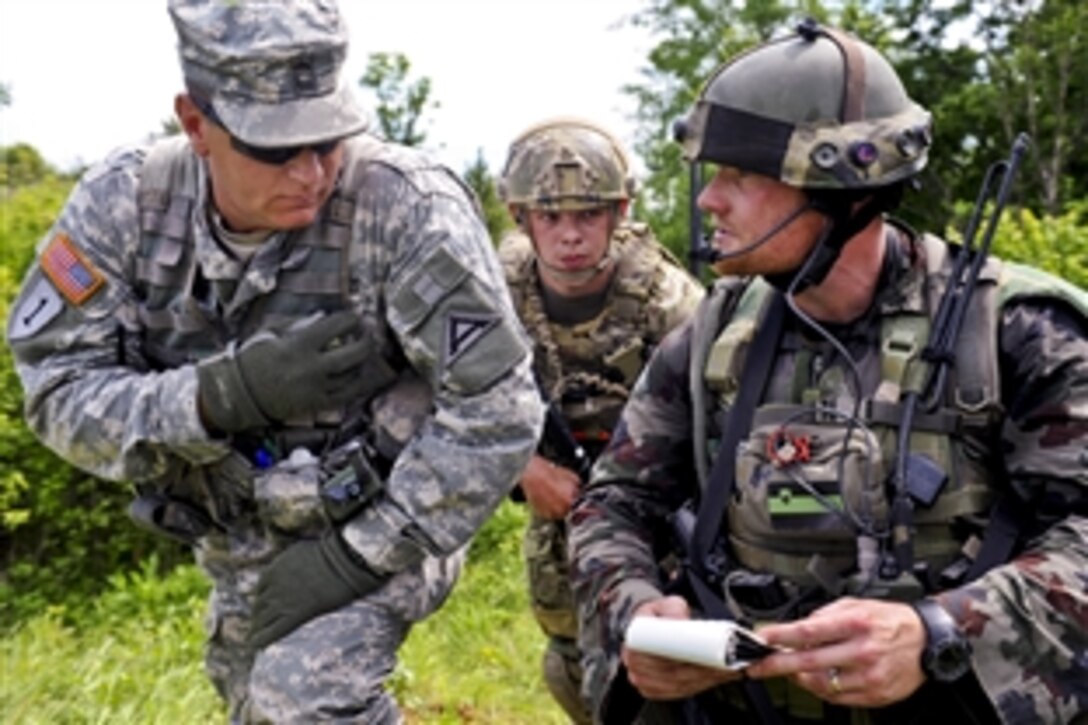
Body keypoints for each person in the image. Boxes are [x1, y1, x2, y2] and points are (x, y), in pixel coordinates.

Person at [5, 0, 543, 721]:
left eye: (329, 139)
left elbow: (499, 411)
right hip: (237, 527)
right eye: (276, 149)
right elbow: (58, 387)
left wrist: (355, 556)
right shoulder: (127, 206)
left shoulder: (405, 208)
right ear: (196, 124)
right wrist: (216, 397)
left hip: (394, 510)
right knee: (251, 700)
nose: (313, 171)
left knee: (303, 698)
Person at [568, 19, 1088, 725]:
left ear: (841, 186)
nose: (708, 200)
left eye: (740, 176)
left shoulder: (1017, 332)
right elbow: (615, 501)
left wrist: (944, 630)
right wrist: (632, 611)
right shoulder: (715, 334)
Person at [496, 118, 705, 722]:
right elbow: (444, 399)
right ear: (521, 217)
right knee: (567, 657)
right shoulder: (492, 294)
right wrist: (523, 469)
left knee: (662, 663)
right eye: (551, 217)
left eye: (588, 215)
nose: (570, 236)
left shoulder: (671, 303)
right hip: (558, 502)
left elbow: (722, 422)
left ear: (618, 212)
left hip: (660, 511)